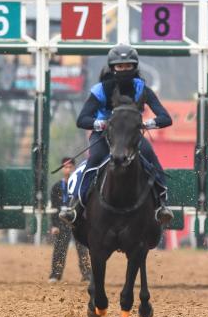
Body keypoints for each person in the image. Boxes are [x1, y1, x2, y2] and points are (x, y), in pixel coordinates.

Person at [59, 45, 174, 225]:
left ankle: (162, 204)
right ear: (113, 68)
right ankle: (75, 206)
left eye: (128, 66)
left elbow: (165, 118)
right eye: (120, 66)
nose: (124, 70)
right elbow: (82, 119)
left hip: (130, 135)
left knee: (150, 155)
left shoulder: (142, 89)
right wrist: (100, 123)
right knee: (95, 158)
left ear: (134, 67)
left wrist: (146, 124)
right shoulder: (100, 90)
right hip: (104, 134)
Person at [48, 157, 92, 283]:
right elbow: (54, 209)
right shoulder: (57, 187)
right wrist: (54, 225)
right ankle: (55, 275)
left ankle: (87, 275)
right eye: (65, 167)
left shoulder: (80, 185)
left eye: (70, 167)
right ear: (62, 169)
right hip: (62, 222)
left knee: (82, 248)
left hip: (77, 221)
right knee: (59, 248)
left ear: (74, 168)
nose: (68, 170)